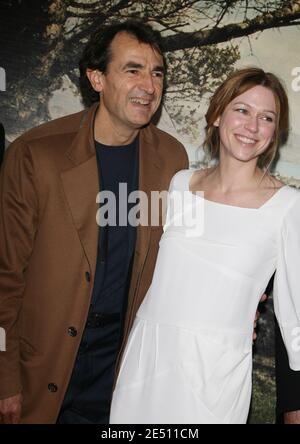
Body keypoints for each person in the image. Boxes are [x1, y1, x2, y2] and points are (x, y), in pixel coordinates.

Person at [0, 20, 188, 424]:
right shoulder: (36, 155)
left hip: (120, 370)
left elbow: (178, 257)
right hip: (42, 366)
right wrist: (4, 379)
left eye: (157, 73)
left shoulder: (172, 160)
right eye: (133, 69)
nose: (149, 85)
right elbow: (5, 277)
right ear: (97, 78)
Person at [110, 67, 300, 424]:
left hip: (214, 377)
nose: (252, 126)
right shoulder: (180, 184)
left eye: (266, 117)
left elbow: (296, 317)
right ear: (217, 115)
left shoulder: (288, 206)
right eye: (242, 110)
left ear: (275, 132)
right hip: (146, 361)